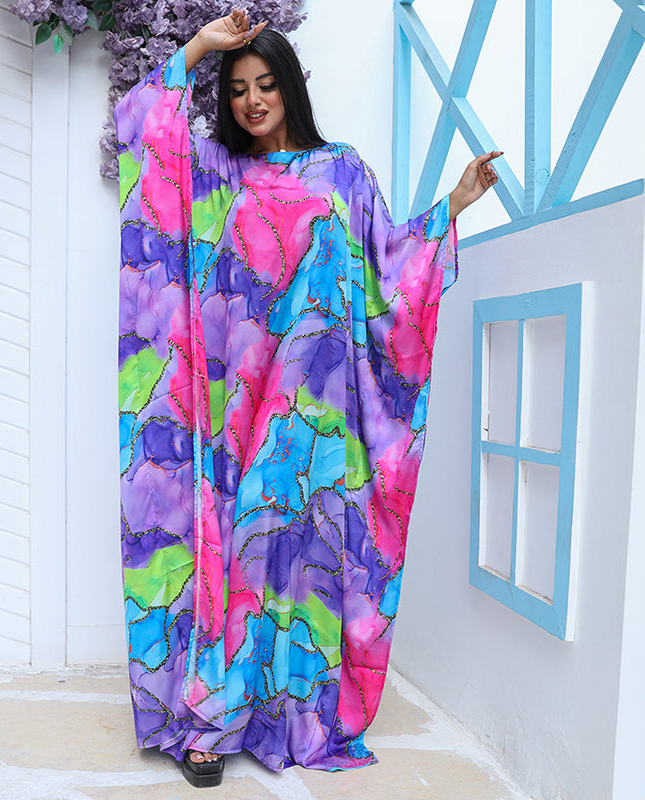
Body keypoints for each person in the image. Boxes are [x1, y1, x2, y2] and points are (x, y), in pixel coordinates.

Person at [115, 8, 499, 789]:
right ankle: (213, 719)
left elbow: (388, 269)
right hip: (237, 409)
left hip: (322, 412)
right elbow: (142, 128)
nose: (253, 100)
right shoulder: (218, 173)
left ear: (289, 86)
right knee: (239, 553)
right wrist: (202, 45)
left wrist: (454, 205)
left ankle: (289, 713)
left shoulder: (342, 171)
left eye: (266, 84)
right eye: (238, 89)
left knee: (302, 561)